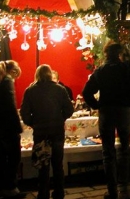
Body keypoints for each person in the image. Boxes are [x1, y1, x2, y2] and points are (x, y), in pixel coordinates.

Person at [82, 43, 130, 199]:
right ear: (119, 54)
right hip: (125, 110)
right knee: (124, 148)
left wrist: (96, 105)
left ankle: (112, 191)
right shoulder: (128, 69)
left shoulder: (101, 71)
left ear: (106, 54)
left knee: (108, 151)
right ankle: (123, 181)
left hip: (107, 111)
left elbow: (86, 92)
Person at [20, 64, 74, 199]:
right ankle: (59, 192)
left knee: (43, 164)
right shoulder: (60, 90)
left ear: (37, 75)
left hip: (40, 133)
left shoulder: (30, 91)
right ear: (50, 74)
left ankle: (43, 193)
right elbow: (69, 110)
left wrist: (33, 123)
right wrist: (60, 118)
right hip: (57, 132)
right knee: (57, 164)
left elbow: (24, 113)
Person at [0, 60, 24, 197]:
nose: (14, 79)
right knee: (14, 157)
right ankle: (10, 187)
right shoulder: (7, 81)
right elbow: (10, 107)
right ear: (12, 71)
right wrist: (18, 126)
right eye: (15, 75)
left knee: (0, 157)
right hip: (8, 128)